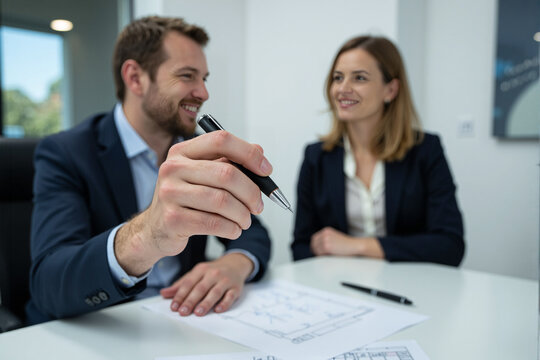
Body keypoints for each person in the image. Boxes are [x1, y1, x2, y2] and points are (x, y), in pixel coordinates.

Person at [27, 16, 272, 324]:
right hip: (101, 328)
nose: (203, 93)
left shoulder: (200, 150)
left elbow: (253, 232)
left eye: (204, 79)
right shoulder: (66, 152)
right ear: (135, 78)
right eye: (187, 76)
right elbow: (49, 283)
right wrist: (146, 235)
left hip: (180, 320)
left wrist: (234, 264)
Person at [291, 35, 465, 266]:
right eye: (338, 78)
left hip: (412, 286)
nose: (343, 89)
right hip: (338, 286)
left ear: (390, 90)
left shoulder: (425, 150)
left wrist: (356, 246)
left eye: (359, 78)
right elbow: (301, 246)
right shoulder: (316, 157)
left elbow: (450, 246)